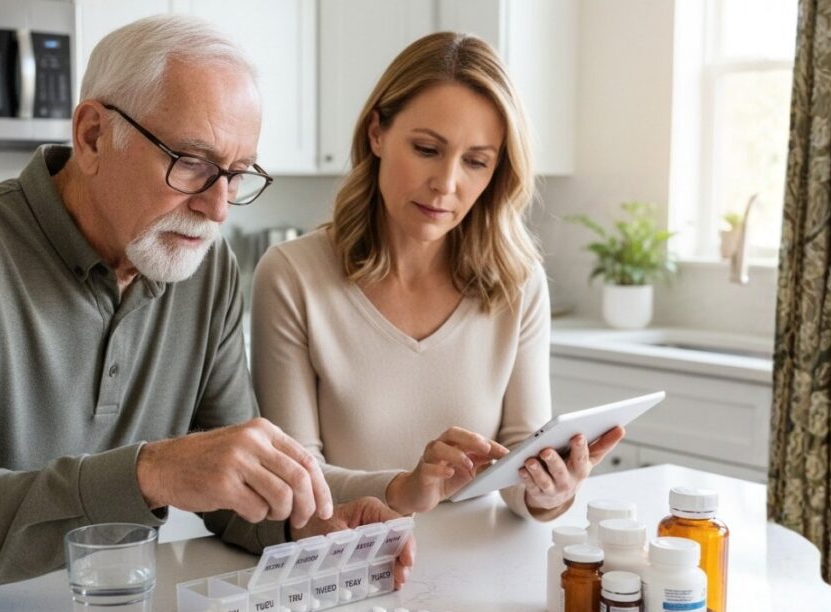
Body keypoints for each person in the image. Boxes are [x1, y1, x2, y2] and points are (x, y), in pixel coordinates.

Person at [0, 16, 411, 612]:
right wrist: (149, 472)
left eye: (238, 173)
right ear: (93, 136)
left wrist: (310, 527)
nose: (217, 207)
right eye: (192, 162)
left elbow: (225, 484)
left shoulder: (207, 269)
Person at [252, 32, 625, 519]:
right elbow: (295, 480)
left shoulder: (518, 281)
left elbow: (519, 460)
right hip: (346, 569)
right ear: (377, 134)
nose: (446, 184)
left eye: (475, 162)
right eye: (427, 149)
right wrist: (404, 487)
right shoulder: (291, 276)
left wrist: (549, 491)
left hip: (481, 569)